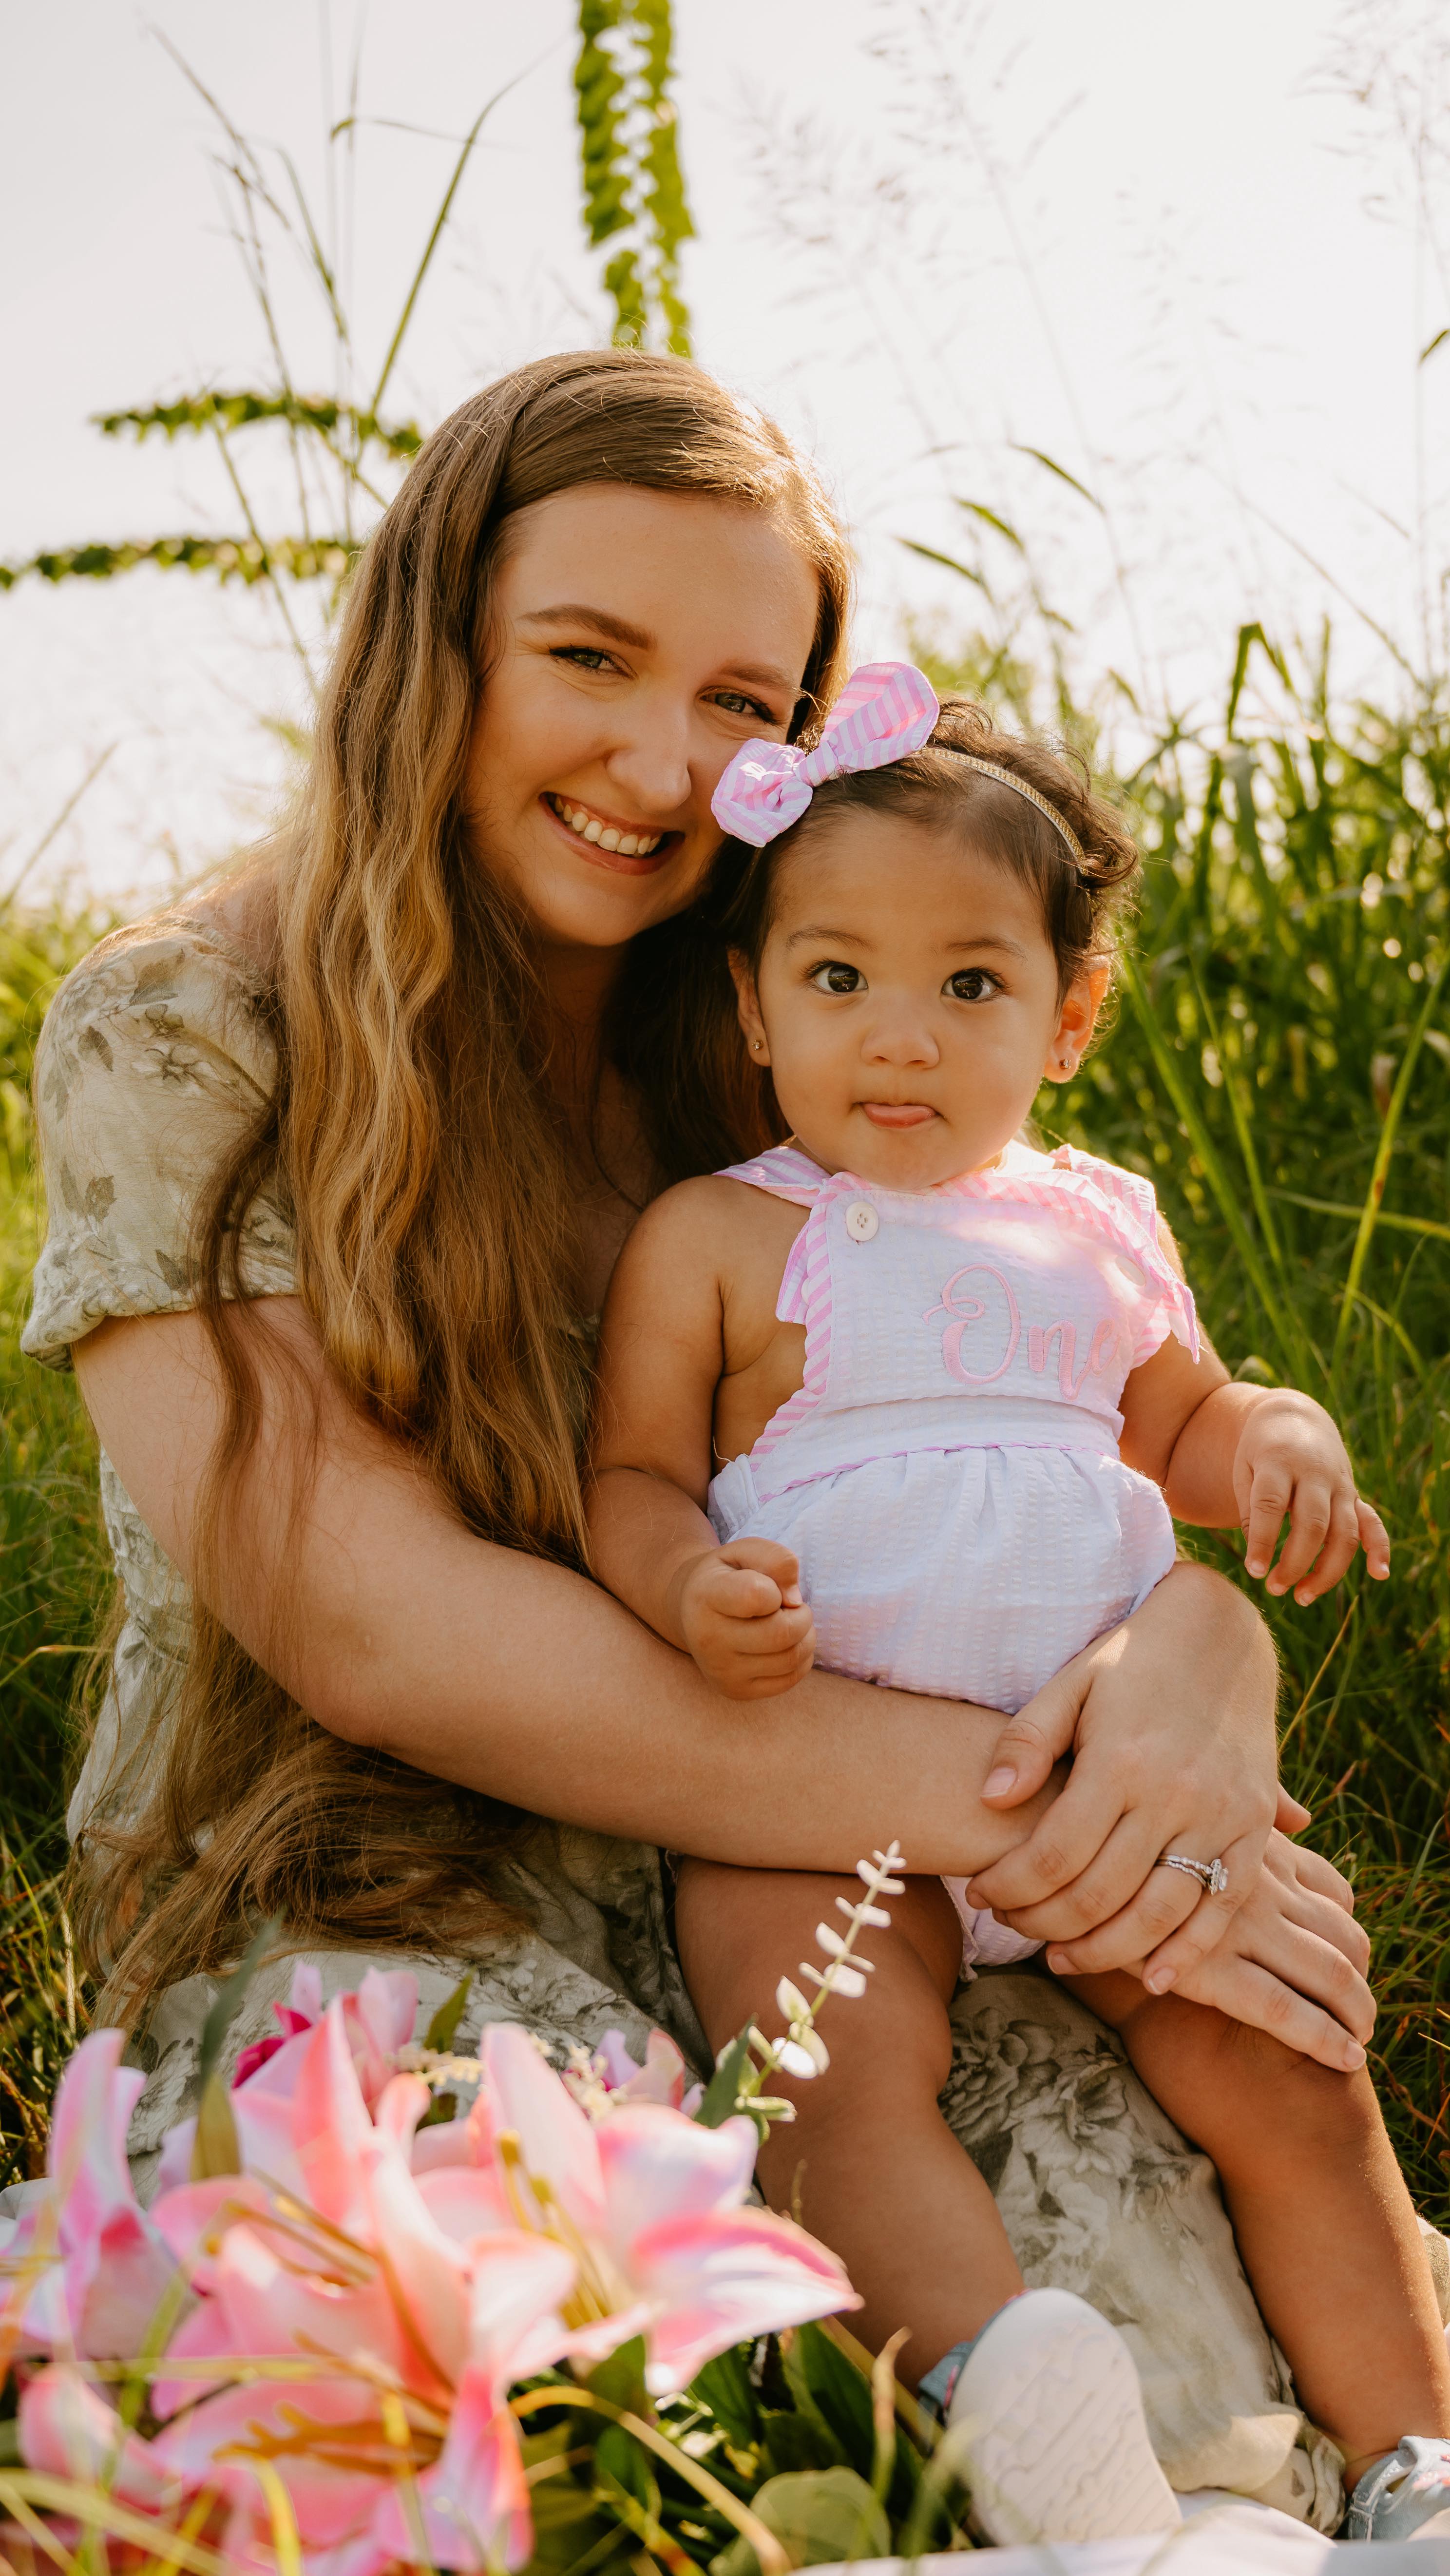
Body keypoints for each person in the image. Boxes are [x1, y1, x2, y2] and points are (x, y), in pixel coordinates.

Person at [23, 353, 1376, 2530]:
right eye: (588, 658)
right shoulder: (196, 1025)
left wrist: (1200, 1666)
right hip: (395, 1888)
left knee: (1205, 2418)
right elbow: (379, 1629)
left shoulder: (784, 1020)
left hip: (840, 1868)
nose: (664, 763)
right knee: (592, 2410)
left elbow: (1062, 1413)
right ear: (437, 644)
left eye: (745, 700)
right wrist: (1060, 1811)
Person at [586, 663, 1450, 2547]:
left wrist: (1280, 1437)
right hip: (815, 1780)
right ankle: (1015, 2396)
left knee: (1284, 2060)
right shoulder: (722, 1236)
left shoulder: (1098, 1221)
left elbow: (1188, 1420)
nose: (901, 1039)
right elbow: (632, 1476)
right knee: (822, 2054)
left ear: (1070, 1018)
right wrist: (683, 1579)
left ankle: (1417, 2459)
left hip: (1105, 1782)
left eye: (970, 985)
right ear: (749, 1003)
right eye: (838, 980)